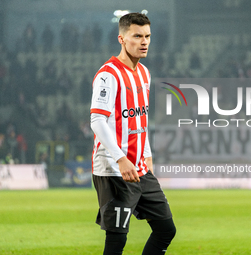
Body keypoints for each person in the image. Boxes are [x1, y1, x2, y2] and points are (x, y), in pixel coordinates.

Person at [90, 13, 176, 255]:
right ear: (122, 39)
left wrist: (146, 153)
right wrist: (120, 158)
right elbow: (97, 120)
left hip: (139, 167)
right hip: (114, 169)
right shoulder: (109, 75)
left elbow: (140, 119)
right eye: (137, 36)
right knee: (116, 241)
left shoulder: (144, 73)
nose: (144, 41)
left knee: (166, 229)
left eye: (147, 36)